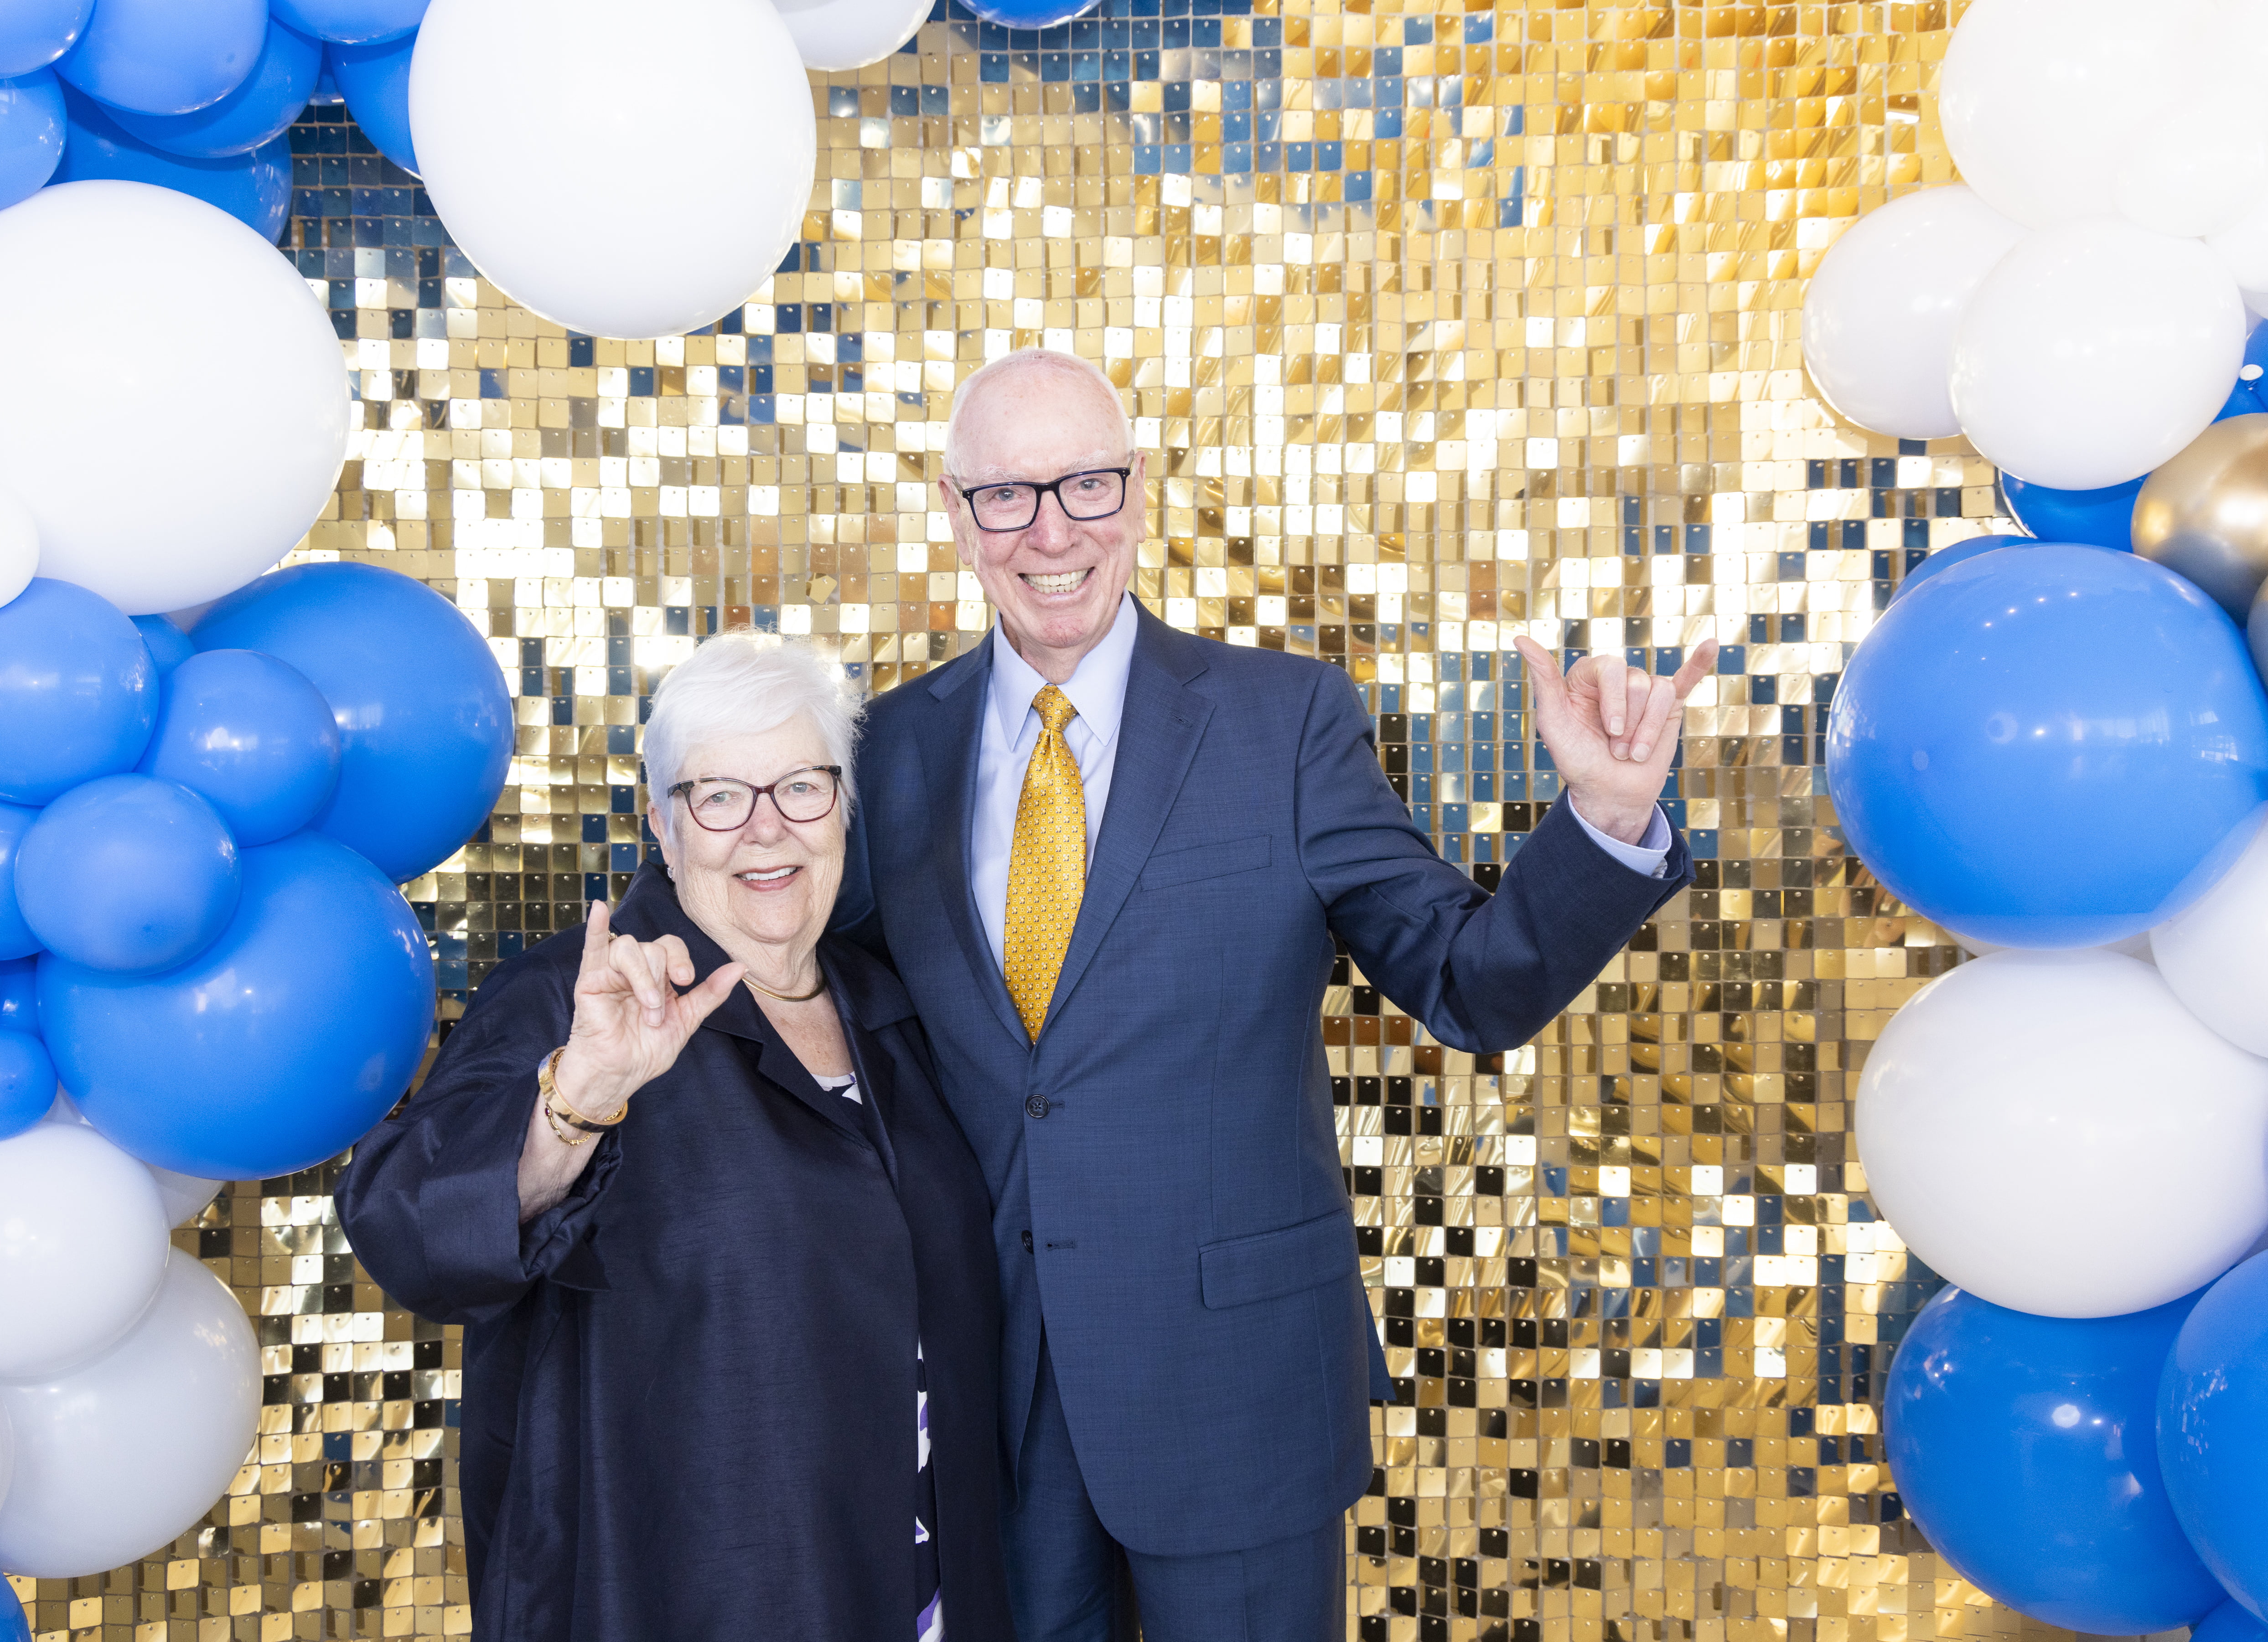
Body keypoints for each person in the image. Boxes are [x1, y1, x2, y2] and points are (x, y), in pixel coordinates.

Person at [825, 349, 1719, 1641]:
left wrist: (1609, 816)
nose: (1052, 530)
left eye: (1085, 484)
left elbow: (1470, 986)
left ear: (1136, 495)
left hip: (1232, 1386)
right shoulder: (888, 750)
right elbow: (815, 992)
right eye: (1009, 496)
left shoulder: (1284, 720)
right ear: (957, 516)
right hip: (993, 1394)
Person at [334, 634, 1014, 1642]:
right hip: (686, 1589)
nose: (766, 829)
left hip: (926, 1587)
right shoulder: (572, 1002)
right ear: (662, 821)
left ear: (844, 806)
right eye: (721, 797)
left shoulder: (898, 1005)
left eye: (800, 786)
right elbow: (409, 1230)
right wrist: (581, 1096)